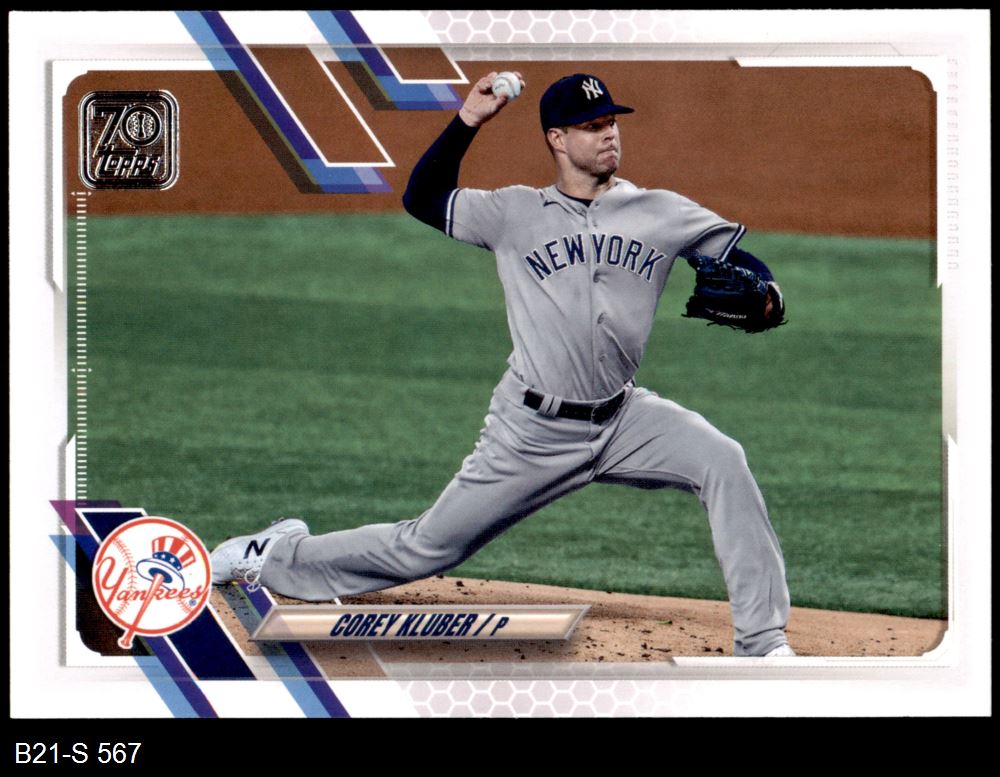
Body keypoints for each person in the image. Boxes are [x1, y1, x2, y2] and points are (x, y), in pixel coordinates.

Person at [211, 72, 794, 657]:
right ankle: (275, 553)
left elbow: (738, 259)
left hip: (625, 419)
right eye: (592, 126)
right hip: (532, 431)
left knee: (723, 459)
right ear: (557, 139)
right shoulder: (513, 212)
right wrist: (468, 120)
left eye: (611, 123)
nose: (609, 135)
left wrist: (768, 293)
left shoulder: (660, 210)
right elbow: (423, 197)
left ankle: (763, 643)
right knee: (426, 548)